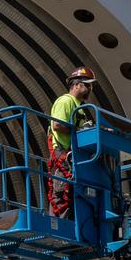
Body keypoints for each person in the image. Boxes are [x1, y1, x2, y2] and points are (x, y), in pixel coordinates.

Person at [46, 68, 96, 218]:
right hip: (62, 154)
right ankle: (57, 225)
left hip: (73, 156)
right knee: (61, 193)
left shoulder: (79, 108)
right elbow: (57, 125)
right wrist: (79, 130)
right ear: (76, 85)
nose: (90, 89)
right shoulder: (65, 101)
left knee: (74, 193)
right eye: (87, 85)